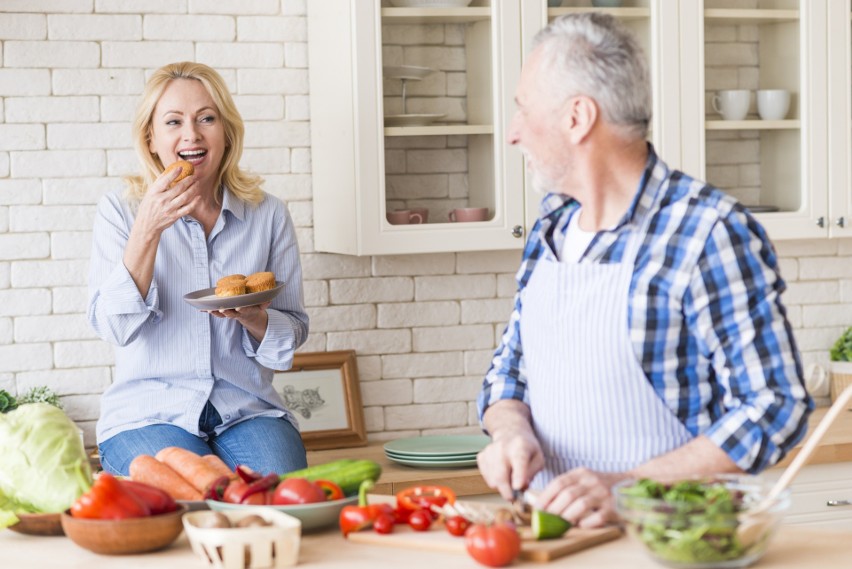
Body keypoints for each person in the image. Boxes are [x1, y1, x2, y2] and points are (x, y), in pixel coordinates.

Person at [476, 14, 813, 528]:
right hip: (551, 539)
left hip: (671, 541)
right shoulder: (551, 226)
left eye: (523, 109)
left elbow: (774, 407)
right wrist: (509, 431)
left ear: (577, 118)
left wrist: (634, 487)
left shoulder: (704, 231)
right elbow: (510, 370)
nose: (513, 133)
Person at [88, 62, 310, 477]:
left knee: (278, 498)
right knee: (190, 496)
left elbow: (291, 334)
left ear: (226, 132)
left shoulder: (268, 214)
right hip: (147, 412)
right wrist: (148, 228)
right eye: (174, 122)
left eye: (206, 118)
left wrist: (255, 317)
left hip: (247, 409)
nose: (191, 134)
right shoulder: (121, 212)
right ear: (151, 138)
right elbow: (114, 328)